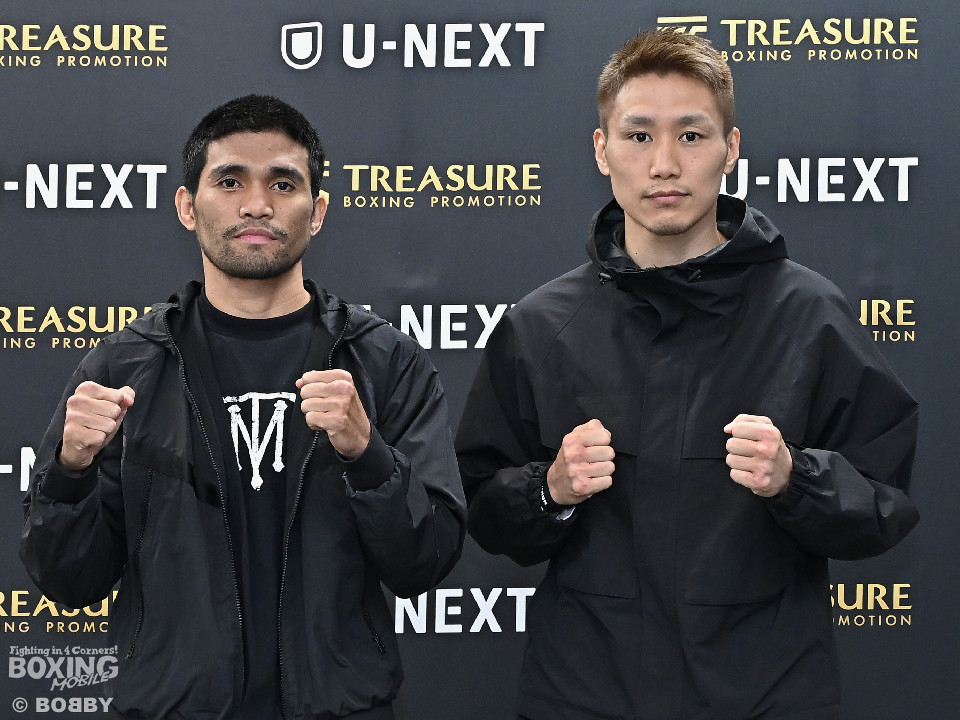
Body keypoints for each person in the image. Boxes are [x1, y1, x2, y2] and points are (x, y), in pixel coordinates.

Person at [455, 30, 919, 720]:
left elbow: (885, 505)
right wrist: (548, 490)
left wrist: (797, 479)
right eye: (639, 136)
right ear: (601, 149)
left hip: (766, 698)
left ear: (731, 149)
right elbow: (483, 512)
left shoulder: (809, 315)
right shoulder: (541, 325)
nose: (665, 164)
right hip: (584, 696)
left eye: (692, 136)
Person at [21, 95, 466, 720]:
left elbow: (427, 561)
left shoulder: (385, 362)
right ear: (187, 206)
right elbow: (69, 582)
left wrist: (368, 457)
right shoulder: (123, 368)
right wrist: (69, 474)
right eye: (230, 181)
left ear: (318, 212)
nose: (257, 205)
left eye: (283, 183)